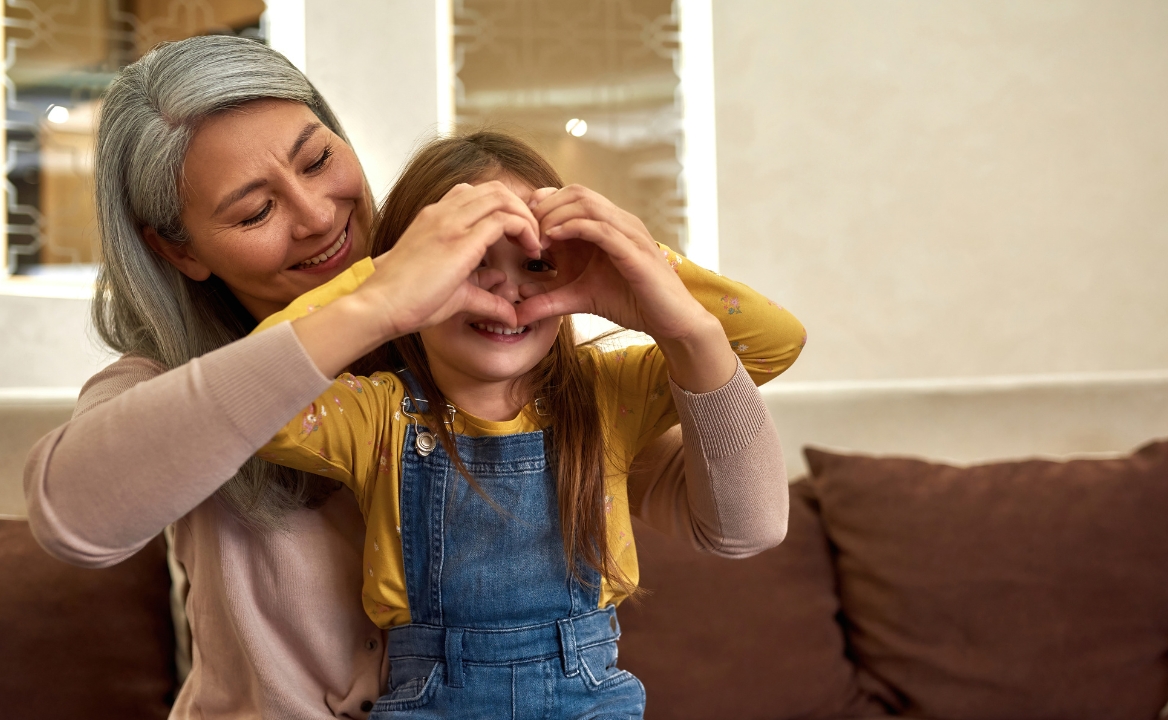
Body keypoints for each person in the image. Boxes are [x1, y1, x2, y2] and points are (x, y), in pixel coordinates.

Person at [22, 35, 794, 719]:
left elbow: (744, 527)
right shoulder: (173, 383)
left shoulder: (522, 372)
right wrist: (374, 303)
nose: (319, 216)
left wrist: (664, 293)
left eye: (319, 159)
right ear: (181, 251)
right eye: (256, 212)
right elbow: (74, 517)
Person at [249, 131, 805, 717]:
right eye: (468, 263)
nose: (507, 289)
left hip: (591, 697)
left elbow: (775, 343)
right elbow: (251, 401)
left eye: (537, 263)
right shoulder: (375, 415)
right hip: (432, 701)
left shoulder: (607, 392)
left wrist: (648, 266)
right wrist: (381, 282)